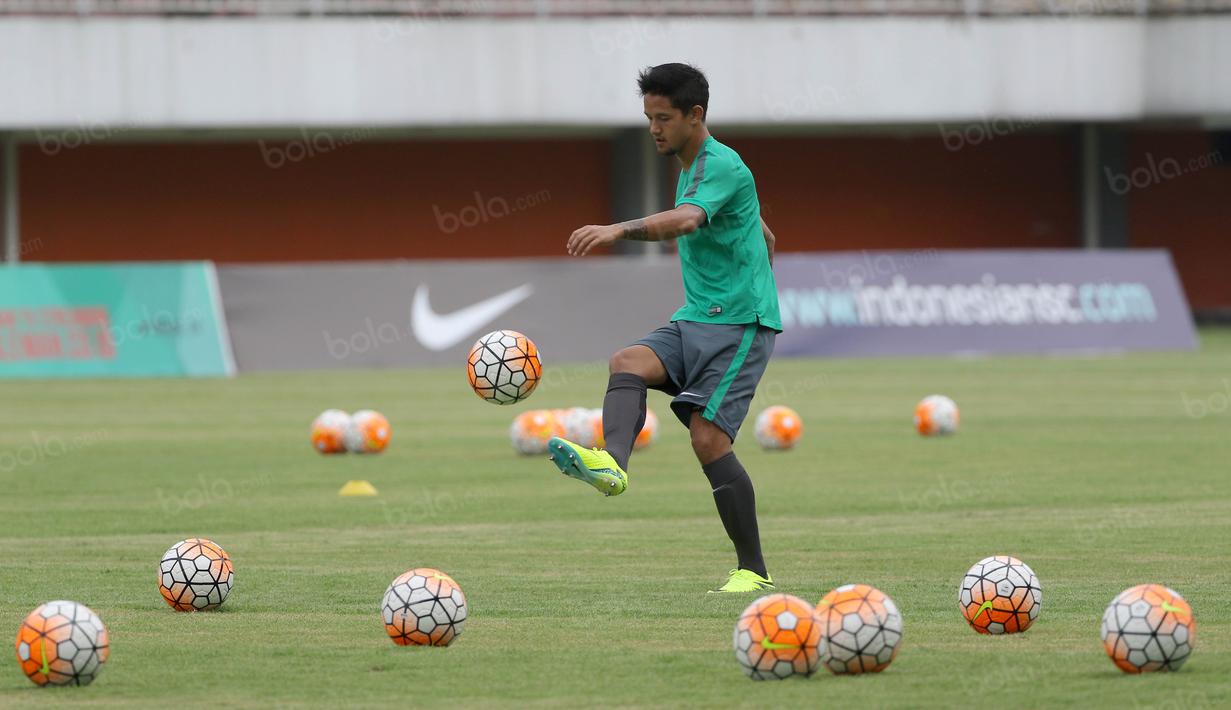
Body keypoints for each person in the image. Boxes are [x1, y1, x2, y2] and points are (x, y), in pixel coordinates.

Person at [546, 63, 783, 594]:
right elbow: (763, 233)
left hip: (741, 324)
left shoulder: (720, 164)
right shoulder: (693, 167)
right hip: (698, 315)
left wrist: (616, 229)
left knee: (707, 440)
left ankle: (754, 570)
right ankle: (611, 465)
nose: (654, 128)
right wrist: (755, 250)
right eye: (648, 117)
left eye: (664, 118)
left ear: (695, 115)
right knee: (626, 362)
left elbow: (687, 220)